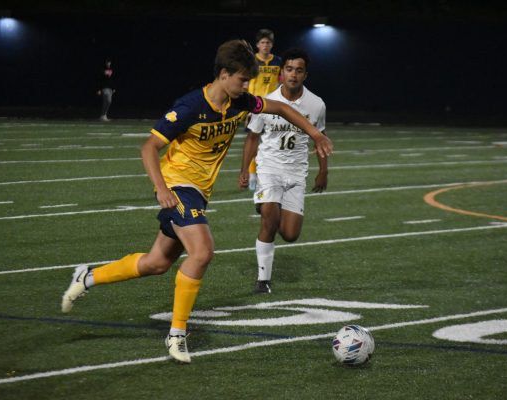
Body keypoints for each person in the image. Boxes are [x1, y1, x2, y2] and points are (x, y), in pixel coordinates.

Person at [61, 40, 333, 363]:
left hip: (199, 193)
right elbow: (149, 148)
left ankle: (87, 277)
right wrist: (162, 189)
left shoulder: (239, 102)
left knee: (157, 263)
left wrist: (315, 135)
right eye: (243, 79)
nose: (247, 86)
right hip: (178, 186)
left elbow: (283, 109)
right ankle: (177, 334)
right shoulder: (190, 106)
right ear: (223, 74)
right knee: (203, 252)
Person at [239, 48, 327, 295]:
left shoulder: (316, 104)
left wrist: (323, 171)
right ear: (281, 73)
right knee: (270, 217)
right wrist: (245, 169)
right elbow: (252, 138)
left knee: (290, 234)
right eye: (289, 69)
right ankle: (262, 280)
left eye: (299, 70)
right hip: (269, 169)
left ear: (305, 74)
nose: (293, 74)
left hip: (297, 173)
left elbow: (320, 137)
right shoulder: (267, 101)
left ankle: (270, 209)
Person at [246, 29, 283, 190]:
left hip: (272, 108)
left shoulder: (278, 62)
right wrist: (246, 106)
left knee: (272, 143)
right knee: (254, 142)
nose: (265, 45)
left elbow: (281, 83)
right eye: (262, 42)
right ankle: (252, 174)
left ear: (272, 44)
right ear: (257, 44)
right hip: (255, 107)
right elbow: (245, 83)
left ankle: (270, 175)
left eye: (268, 42)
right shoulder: (251, 61)